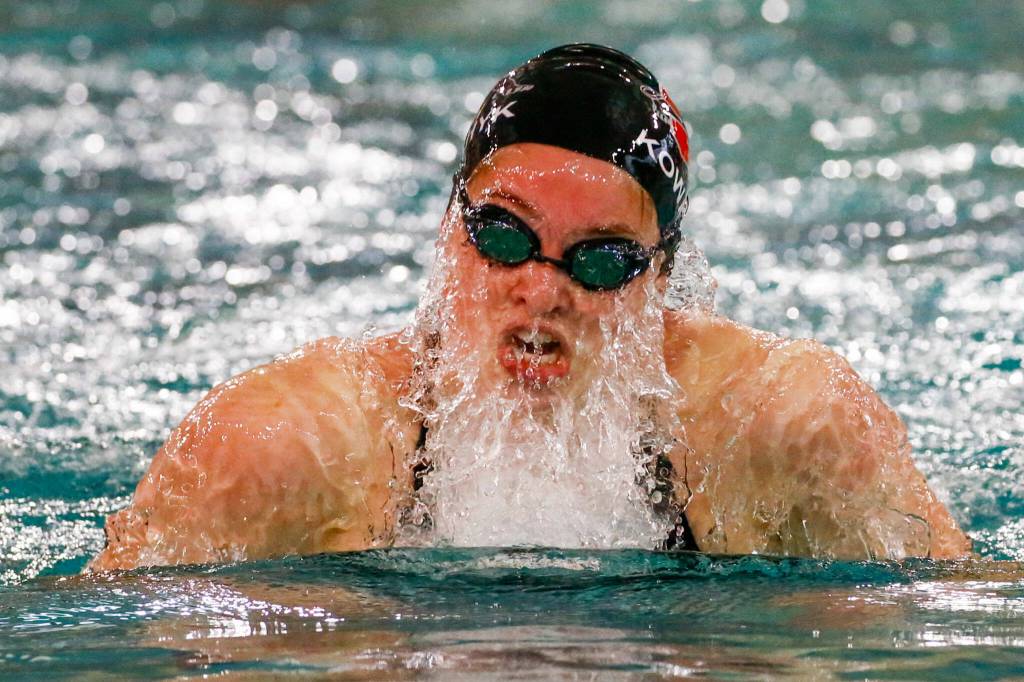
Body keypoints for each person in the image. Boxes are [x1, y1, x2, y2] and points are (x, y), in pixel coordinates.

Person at [89, 44, 971, 571]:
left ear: (660, 280)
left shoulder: (779, 427)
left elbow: (964, 623)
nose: (540, 289)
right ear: (448, 232)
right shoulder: (289, 445)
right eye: (506, 237)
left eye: (600, 260)